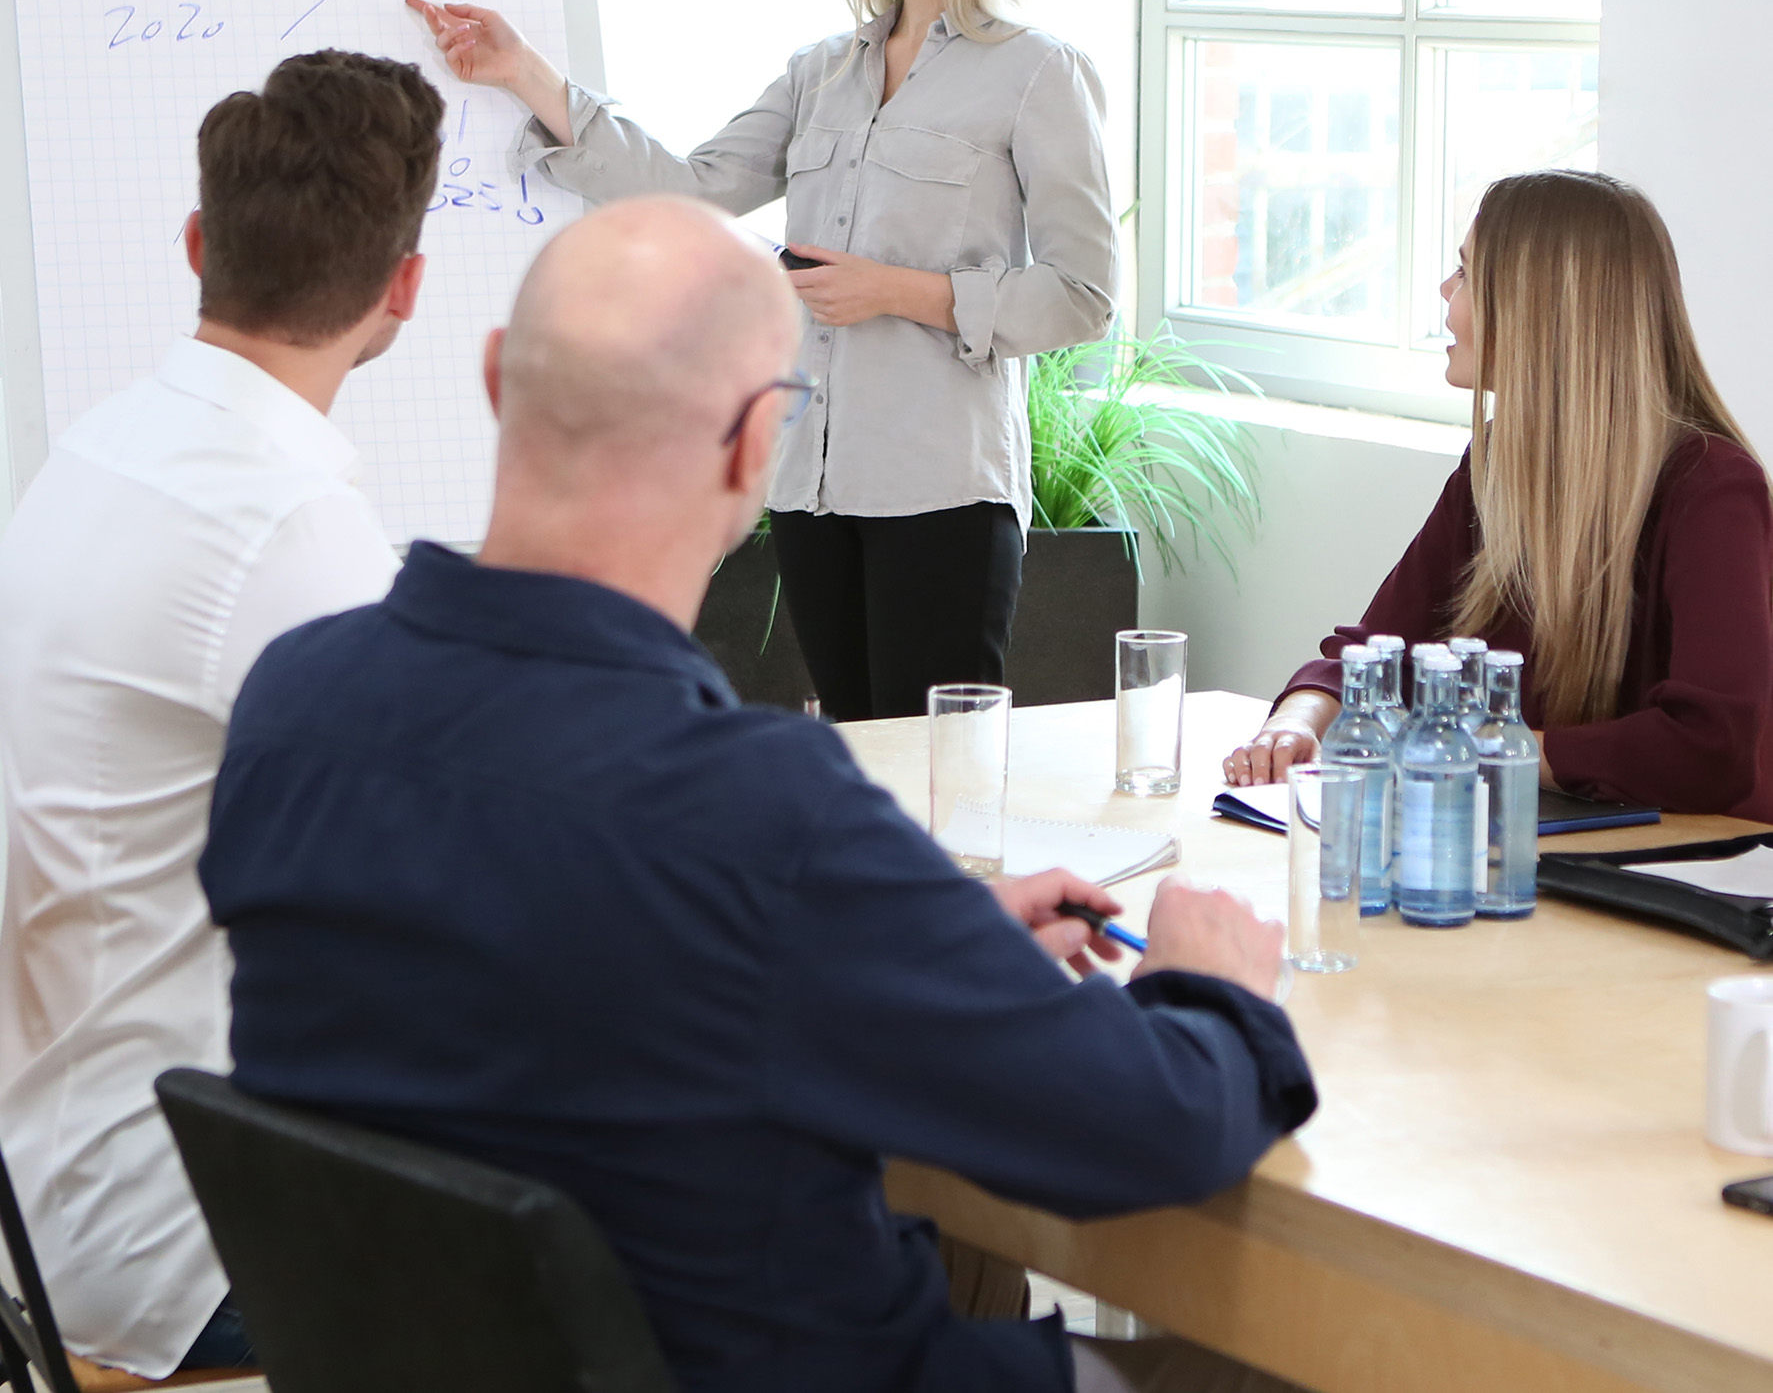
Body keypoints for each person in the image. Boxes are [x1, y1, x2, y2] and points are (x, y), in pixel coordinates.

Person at [201, 196, 1316, 1393]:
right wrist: (1208, 984)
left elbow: (561, 971)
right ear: (753, 449)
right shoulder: (757, 815)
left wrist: (913, 937)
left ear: (494, 381)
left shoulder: (292, 707)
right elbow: (1147, 1131)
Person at [406, 0, 1116, 720]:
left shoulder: (1039, 72)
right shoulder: (821, 71)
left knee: (936, 782)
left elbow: (1083, 294)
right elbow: (690, 191)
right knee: (853, 759)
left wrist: (899, 290)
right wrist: (524, 73)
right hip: (810, 490)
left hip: (941, 492)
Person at [0, 50, 441, 1381]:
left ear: (199, 244)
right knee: (678, 1241)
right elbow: (434, 895)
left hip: (42, 1188)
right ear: (403, 289)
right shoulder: (289, 522)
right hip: (176, 1245)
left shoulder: (96, 449)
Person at [1225, 170, 1773, 822]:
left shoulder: (1710, 488)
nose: (1443, 292)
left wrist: (1476, 744)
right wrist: (1293, 724)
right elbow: (1375, 651)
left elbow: (1707, 747)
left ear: (1535, 310)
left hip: (1692, 881)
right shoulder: (1494, 464)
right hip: (1541, 851)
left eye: (1464, 274)